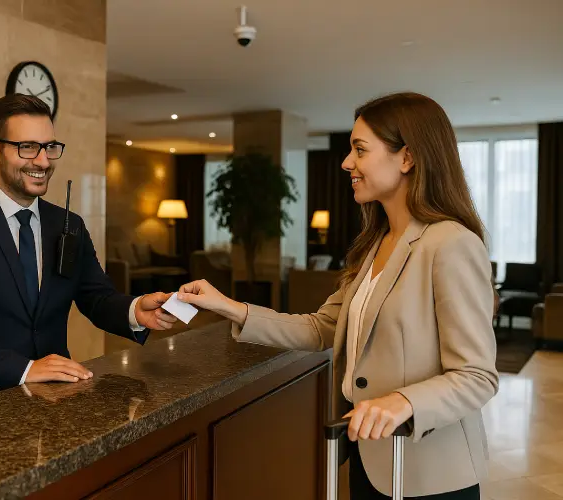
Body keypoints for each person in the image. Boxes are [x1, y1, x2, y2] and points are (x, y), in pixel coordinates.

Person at [176, 92, 498, 499]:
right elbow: (320, 328)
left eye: (360, 150)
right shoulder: (376, 244)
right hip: (368, 457)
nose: (347, 163)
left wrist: (403, 401)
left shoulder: (451, 244)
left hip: (428, 473)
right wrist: (229, 307)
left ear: (407, 158)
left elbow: (476, 376)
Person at [0, 94, 177, 415]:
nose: (43, 161)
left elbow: (96, 296)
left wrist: (135, 311)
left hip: (52, 408)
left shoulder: (68, 224)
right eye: (27, 147)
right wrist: (23, 369)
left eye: (49, 147)